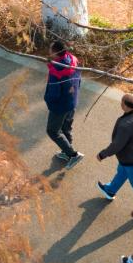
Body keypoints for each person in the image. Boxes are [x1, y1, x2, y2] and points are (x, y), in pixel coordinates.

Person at [96, 93, 133, 201]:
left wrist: (103, 154)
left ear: (124, 105)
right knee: (123, 171)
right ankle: (110, 190)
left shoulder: (126, 124)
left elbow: (117, 145)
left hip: (131, 158)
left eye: (122, 101)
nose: (120, 103)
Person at [44, 39, 83, 167]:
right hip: (72, 101)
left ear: (55, 53)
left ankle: (73, 155)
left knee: (52, 130)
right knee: (66, 127)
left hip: (60, 106)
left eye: (50, 48)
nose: (49, 50)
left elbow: (53, 94)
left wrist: (48, 101)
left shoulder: (56, 73)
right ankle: (66, 150)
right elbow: (79, 79)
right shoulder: (73, 60)